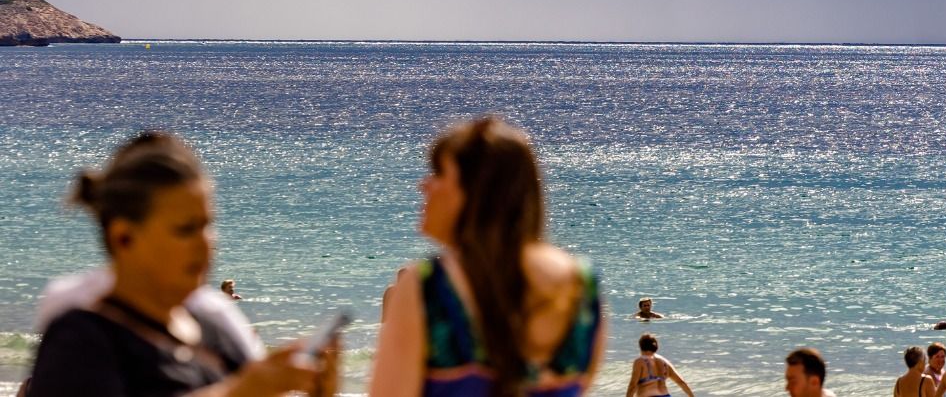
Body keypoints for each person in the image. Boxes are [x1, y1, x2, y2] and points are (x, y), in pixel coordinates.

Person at [26, 130, 332, 397]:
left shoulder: (216, 328)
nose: (205, 243)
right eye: (186, 229)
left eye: (208, 225)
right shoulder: (81, 342)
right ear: (124, 237)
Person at [368, 116, 605, 396]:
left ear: (476, 192)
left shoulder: (429, 288)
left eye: (438, 173)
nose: (424, 185)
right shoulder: (581, 285)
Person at [626, 334, 693, 397]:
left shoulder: (640, 361)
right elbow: (681, 382)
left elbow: (632, 386)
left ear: (641, 346)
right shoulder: (665, 362)